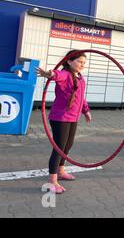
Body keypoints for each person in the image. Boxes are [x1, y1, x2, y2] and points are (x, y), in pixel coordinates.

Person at [37, 50, 91, 194]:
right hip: (60, 118)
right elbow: (56, 75)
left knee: (67, 146)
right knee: (59, 148)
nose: (82, 65)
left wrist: (86, 110)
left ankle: (60, 171)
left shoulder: (80, 77)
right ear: (69, 61)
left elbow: (81, 97)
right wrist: (50, 74)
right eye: (79, 61)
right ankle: (52, 181)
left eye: (84, 63)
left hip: (73, 117)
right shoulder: (65, 75)